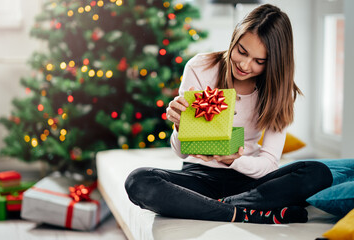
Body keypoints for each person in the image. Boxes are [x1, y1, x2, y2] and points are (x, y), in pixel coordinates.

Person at [125, 4, 333, 224]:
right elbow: (181, 153)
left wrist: (236, 160)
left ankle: (216, 206)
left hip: (249, 180)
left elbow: (270, 163)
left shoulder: (279, 91)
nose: (244, 64)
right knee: (138, 181)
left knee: (318, 173)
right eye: (241, 51)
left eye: (259, 61)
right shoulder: (200, 67)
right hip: (198, 177)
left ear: (274, 62)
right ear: (234, 38)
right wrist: (180, 127)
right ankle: (245, 212)